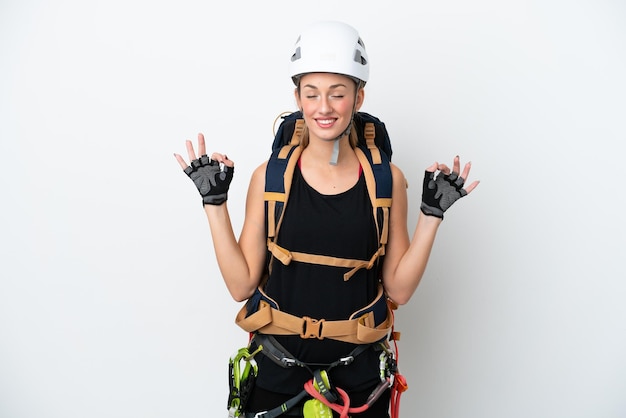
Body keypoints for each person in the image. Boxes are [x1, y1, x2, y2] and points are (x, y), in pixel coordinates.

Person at [174, 21, 479, 418]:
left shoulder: (386, 181)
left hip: (359, 382)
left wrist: (431, 215)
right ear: (298, 98)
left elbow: (399, 291)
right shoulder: (269, 178)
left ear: (358, 97)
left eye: (337, 94)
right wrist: (213, 202)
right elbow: (240, 284)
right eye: (312, 93)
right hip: (277, 376)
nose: (324, 107)